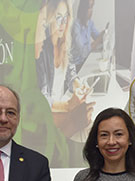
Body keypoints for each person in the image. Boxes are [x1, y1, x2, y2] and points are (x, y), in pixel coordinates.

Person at [35, 0, 94, 140]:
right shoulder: (41, 50)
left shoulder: (64, 43)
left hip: (63, 110)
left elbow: (71, 74)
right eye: (58, 17)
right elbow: (43, 101)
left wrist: (79, 86)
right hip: (51, 118)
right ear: (49, 19)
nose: (63, 23)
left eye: (66, 17)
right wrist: (68, 105)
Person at [69, 0, 106, 71]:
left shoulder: (90, 23)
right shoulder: (76, 26)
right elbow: (83, 52)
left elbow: (99, 38)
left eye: (92, 7)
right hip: (75, 66)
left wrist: (104, 35)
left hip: (85, 61)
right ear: (84, 9)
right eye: (90, 7)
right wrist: (98, 41)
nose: (92, 11)